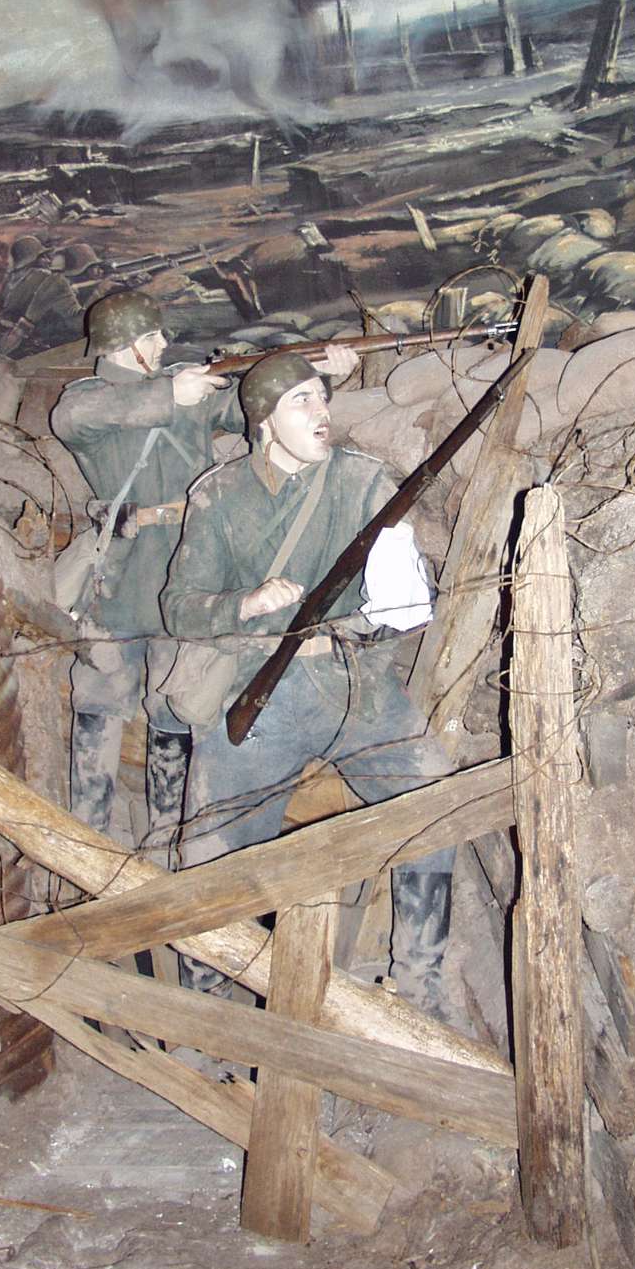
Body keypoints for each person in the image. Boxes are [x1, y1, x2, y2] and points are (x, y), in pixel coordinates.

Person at [161, 350, 455, 1018]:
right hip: (258, 693)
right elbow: (179, 608)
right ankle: (212, 1014)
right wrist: (244, 603)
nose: (322, 413)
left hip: (354, 687)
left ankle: (419, 991)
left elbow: (405, 598)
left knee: (434, 804)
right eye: (302, 401)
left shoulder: (363, 480)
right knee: (214, 853)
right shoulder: (218, 495)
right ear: (264, 419)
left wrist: (396, 597)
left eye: (323, 397)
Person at [49, 290, 239, 854]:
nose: (163, 344)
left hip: (186, 571)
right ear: (123, 343)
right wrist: (170, 393)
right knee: (100, 705)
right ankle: (88, 842)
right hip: (119, 578)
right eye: (152, 336)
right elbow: (74, 418)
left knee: (175, 704)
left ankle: (163, 843)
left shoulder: (188, 388)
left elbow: (253, 407)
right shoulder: (89, 397)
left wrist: (314, 375)